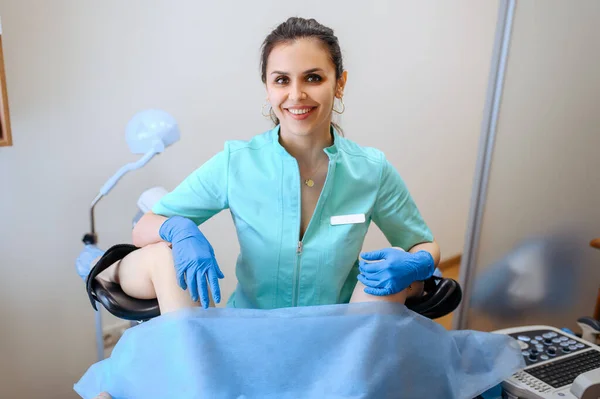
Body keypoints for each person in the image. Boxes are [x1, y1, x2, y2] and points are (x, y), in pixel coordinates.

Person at [85, 16, 440, 398]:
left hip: (338, 345)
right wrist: (178, 229)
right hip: (247, 340)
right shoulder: (237, 161)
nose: (296, 94)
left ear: (340, 83)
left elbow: (423, 244)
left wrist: (417, 262)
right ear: (268, 89)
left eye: (314, 78)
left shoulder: (371, 170)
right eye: (282, 80)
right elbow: (145, 229)